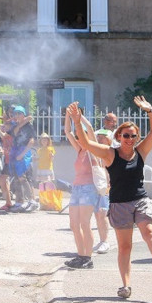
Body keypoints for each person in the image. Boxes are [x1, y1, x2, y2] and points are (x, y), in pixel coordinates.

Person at [68, 97, 152, 300]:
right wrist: (77, 121)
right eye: (126, 135)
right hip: (119, 204)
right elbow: (87, 143)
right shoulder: (109, 153)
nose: (130, 139)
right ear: (119, 136)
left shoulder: (141, 151)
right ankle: (126, 286)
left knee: (149, 231)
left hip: (140, 200)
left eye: (133, 136)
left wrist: (150, 110)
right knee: (125, 247)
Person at [63, 110, 100, 269]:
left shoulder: (93, 149)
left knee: (85, 223)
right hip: (77, 188)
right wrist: (67, 115)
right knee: (74, 224)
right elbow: (67, 131)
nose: (79, 136)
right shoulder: (79, 150)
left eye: (81, 134)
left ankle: (88, 257)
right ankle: (80, 255)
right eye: (78, 135)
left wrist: (79, 116)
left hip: (89, 188)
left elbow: (90, 128)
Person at [9, 106, 37, 212]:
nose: (16, 116)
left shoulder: (29, 126)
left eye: (19, 114)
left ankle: (31, 201)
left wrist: (23, 153)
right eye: (15, 114)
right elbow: (15, 132)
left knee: (22, 177)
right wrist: (23, 121)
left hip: (24, 152)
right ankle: (19, 202)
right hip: (15, 151)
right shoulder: (15, 126)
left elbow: (32, 140)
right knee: (16, 177)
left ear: (23, 114)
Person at [92, 129, 112, 255]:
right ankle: (101, 240)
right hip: (97, 186)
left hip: (107, 187)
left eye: (102, 137)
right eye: (98, 137)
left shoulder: (111, 152)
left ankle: (105, 241)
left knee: (102, 212)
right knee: (97, 213)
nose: (99, 139)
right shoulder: (97, 152)